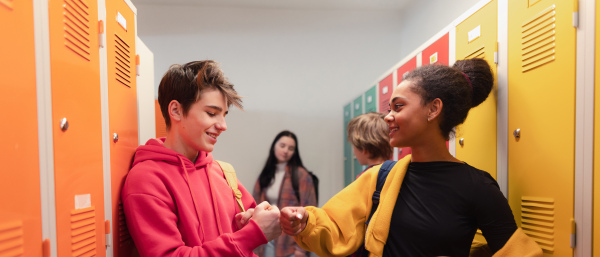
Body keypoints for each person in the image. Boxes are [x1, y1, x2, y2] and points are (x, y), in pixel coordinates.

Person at [278, 59, 543, 257]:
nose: (388, 116)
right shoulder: (380, 177)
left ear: (433, 109)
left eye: (398, 106)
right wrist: (304, 219)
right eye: (389, 108)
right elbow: (335, 227)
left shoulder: (477, 186)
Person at [121, 60, 282, 257]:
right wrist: (252, 235)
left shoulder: (223, 172)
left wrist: (251, 221)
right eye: (212, 113)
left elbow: (249, 221)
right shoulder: (147, 180)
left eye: (224, 115)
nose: (223, 125)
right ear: (176, 111)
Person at [253, 131, 317, 257]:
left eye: (291, 148)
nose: (286, 151)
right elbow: (254, 205)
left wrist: (301, 249)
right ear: (274, 146)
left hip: (290, 242)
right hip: (267, 237)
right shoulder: (266, 174)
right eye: (282, 146)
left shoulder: (302, 176)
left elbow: (310, 212)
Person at [346, 112, 392, 179]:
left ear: (364, 148)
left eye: (354, 146)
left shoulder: (364, 179)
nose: (353, 152)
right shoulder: (397, 170)